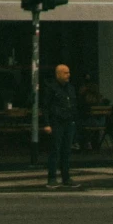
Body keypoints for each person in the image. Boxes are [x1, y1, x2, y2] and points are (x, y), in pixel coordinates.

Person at [42, 60, 78, 188]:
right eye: (65, 73)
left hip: (68, 121)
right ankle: (52, 177)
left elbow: (74, 105)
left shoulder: (71, 88)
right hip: (57, 122)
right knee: (55, 150)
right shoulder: (51, 88)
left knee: (66, 150)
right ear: (58, 74)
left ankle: (66, 177)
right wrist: (47, 123)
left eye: (68, 73)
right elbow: (45, 107)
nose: (68, 75)